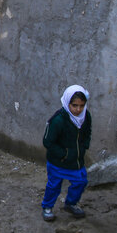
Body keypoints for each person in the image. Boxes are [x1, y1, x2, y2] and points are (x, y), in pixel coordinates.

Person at [41, 85, 92, 222]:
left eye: (81, 105)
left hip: (76, 162)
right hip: (58, 162)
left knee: (81, 181)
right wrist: (64, 154)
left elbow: (87, 133)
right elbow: (48, 142)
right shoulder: (58, 120)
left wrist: (84, 147)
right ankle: (47, 207)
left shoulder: (85, 116)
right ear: (67, 103)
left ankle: (70, 203)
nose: (78, 109)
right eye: (74, 105)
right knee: (54, 185)